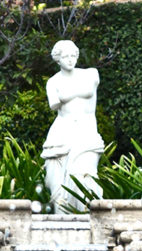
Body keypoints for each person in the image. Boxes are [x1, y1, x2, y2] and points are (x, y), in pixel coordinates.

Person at [41, 40, 104, 213]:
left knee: (85, 176)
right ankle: (61, 227)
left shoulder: (91, 74)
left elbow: (88, 89)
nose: (70, 60)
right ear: (57, 60)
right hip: (61, 135)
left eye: (73, 56)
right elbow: (54, 103)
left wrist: (65, 94)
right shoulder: (52, 82)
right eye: (65, 56)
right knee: (58, 188)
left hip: (86, 132)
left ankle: (91, 226)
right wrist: (65, 95)